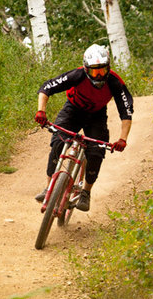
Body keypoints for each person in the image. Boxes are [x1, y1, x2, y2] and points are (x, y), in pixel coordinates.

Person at [34, 44, 133, 212]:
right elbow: (47, 88)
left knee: (95, 153)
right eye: (95, 72)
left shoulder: (115, 82)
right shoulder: (77, 75)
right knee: (58, 142)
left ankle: (86, 192)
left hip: (96, 116)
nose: (99, 75)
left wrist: (123, 139)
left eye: (102, 70)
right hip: (72, 110)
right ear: (87, 70)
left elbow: (126, 112)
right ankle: (49, 187)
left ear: (108, 67)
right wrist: (41, 111)